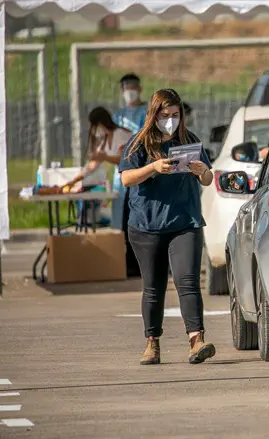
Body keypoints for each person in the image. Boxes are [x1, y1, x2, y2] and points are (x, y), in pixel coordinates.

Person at [119, 88, 216, 366]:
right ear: (154, 115)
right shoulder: (139, 143)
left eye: (175, 115)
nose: (171, 120)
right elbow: (126, 178)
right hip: (146, 225)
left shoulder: (189, 139)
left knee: (188, 282)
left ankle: (196, 340)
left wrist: (202, 171)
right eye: (165, 115)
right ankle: (152, 343)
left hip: (185, 222)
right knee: (153, 287)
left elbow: (208, 179)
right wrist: (153, 168)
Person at [112, 73, 149, 278]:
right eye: (126, 87)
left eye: (133, 86)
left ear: (140, 88)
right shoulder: (118, 116)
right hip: (122, 175)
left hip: (141, 171)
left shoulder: (146, 112)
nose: (130, 91)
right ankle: (128, 263)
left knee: (140, 220)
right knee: (124, 223)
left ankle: (141, 263)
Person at [63, 107, 131, 192]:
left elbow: (126, 160)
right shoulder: (104, 142)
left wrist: (105, 157)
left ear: (100, 123)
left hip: (129, 182)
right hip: (118, 185)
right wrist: (74, 181)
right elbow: (91, 166)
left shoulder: (122, 135)